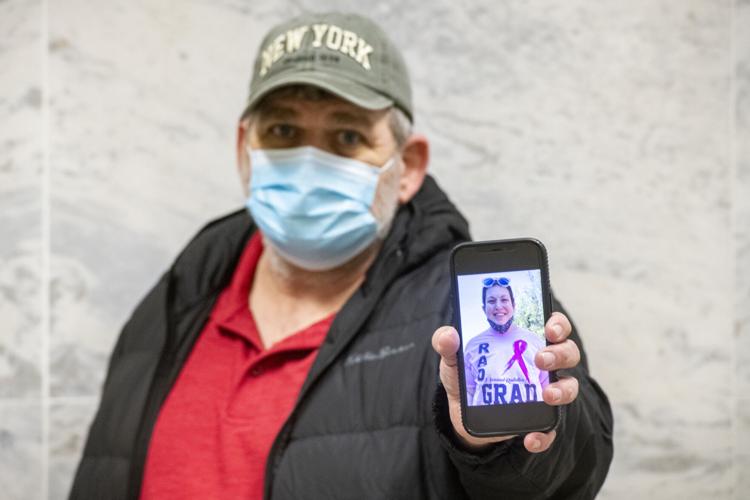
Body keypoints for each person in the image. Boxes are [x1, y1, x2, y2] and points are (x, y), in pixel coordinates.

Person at [69, 11, 613, 500]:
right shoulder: (175, 303)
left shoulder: (466, 312)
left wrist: (501, 447)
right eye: (283, 130)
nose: (310, 161)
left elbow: (566, 474)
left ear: (409, 165)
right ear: (244, 149)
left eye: (348, 136)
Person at [464, 277, 548, 406]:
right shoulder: (472, 346)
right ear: (484, 309)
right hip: (487, 423)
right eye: (491, 301)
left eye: (504, 300)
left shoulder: (535, 342)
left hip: (531, 421)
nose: (498, 306)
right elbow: (468, 393)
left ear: (513, 306)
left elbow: (548, 389)